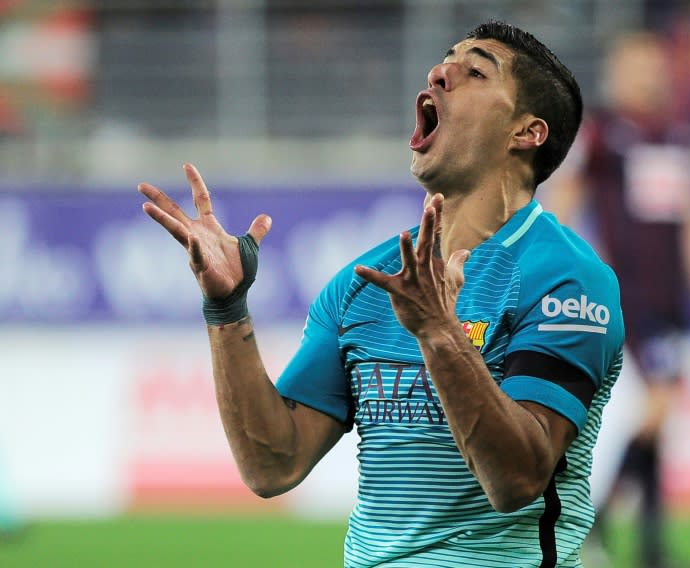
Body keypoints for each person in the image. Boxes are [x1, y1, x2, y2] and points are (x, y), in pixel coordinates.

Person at [138, 20, 624, 568]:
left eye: (475, 71)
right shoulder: (363, 283)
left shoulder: (568, 280)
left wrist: (440, 334)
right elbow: (274, 464)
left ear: (526, 132)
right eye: (445, 61)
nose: (440, 73)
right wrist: (227, 308)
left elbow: (517, 479)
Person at [546, 30, 690, 568]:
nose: (646, 76)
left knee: (661, 420)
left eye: (653, 66)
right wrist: (565, 271)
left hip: (672, 297)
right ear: (618, 71)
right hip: (628, 293)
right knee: (659, 404)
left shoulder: (681, 137)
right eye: (636, 67)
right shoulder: (605, 133)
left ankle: (651, 547)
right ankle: (596, 521)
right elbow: (565, 200)